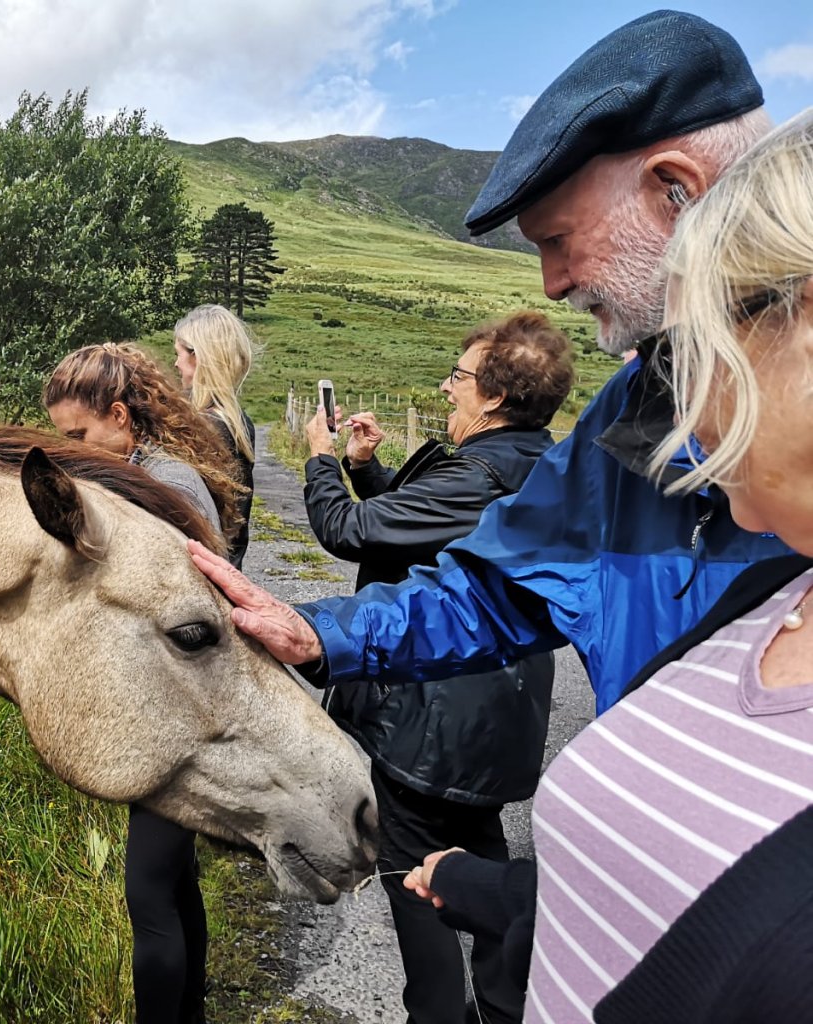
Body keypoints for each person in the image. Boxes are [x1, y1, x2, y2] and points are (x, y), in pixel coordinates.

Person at [187, 10, 792, 717]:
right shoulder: (641, 403)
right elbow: (500, 586)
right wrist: (320, 632)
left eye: (559, 239)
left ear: (676, 190)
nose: (552, 283)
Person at [404, 108, 813, 1023]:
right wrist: (496, 892)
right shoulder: (763, 600)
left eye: (706, 341)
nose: (680, 401)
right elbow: (672, 878)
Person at [302, 311, 573, 1024]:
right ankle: (504, 1006)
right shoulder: (530, 462)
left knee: (418, 885)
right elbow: (416, 522)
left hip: (433, 724)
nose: (446, 387)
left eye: (458, 377)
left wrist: (322, 462)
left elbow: (351, 531)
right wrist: (366, 468)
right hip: (486, 721)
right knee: (477, 867)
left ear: (491, 397)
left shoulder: (479, 476)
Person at [43, 341, 241, 1024]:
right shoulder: (148, 475)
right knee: (177, 881)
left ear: (121, 416)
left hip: (178, 716)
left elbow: (188, 614)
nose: (69, 448)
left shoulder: (167, 488)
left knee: (148, 896)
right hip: (173, 706)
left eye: (78, 435)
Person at [174, 304, 256, 568]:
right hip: (227, 567)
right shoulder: (239, 421)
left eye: (179, 354)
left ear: (197, 357)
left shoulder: (204, 426)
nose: (175, 363)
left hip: (202, 571)